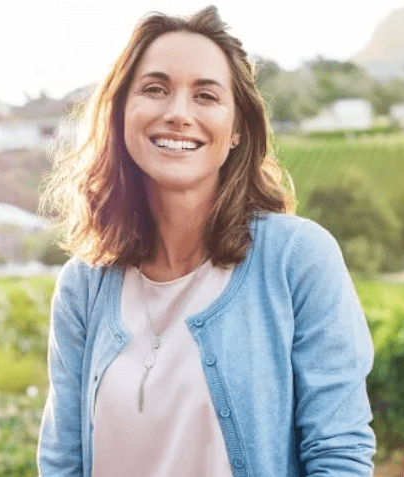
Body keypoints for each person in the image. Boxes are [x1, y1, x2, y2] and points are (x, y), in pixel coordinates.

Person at [38, 5, 376, 476]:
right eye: (155, 90)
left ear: (236, 129)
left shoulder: (298, 259)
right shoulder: (83, 286)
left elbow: (339, 454)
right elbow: (62, 462)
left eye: (206, 96)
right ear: (121, 113)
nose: (178, 114)